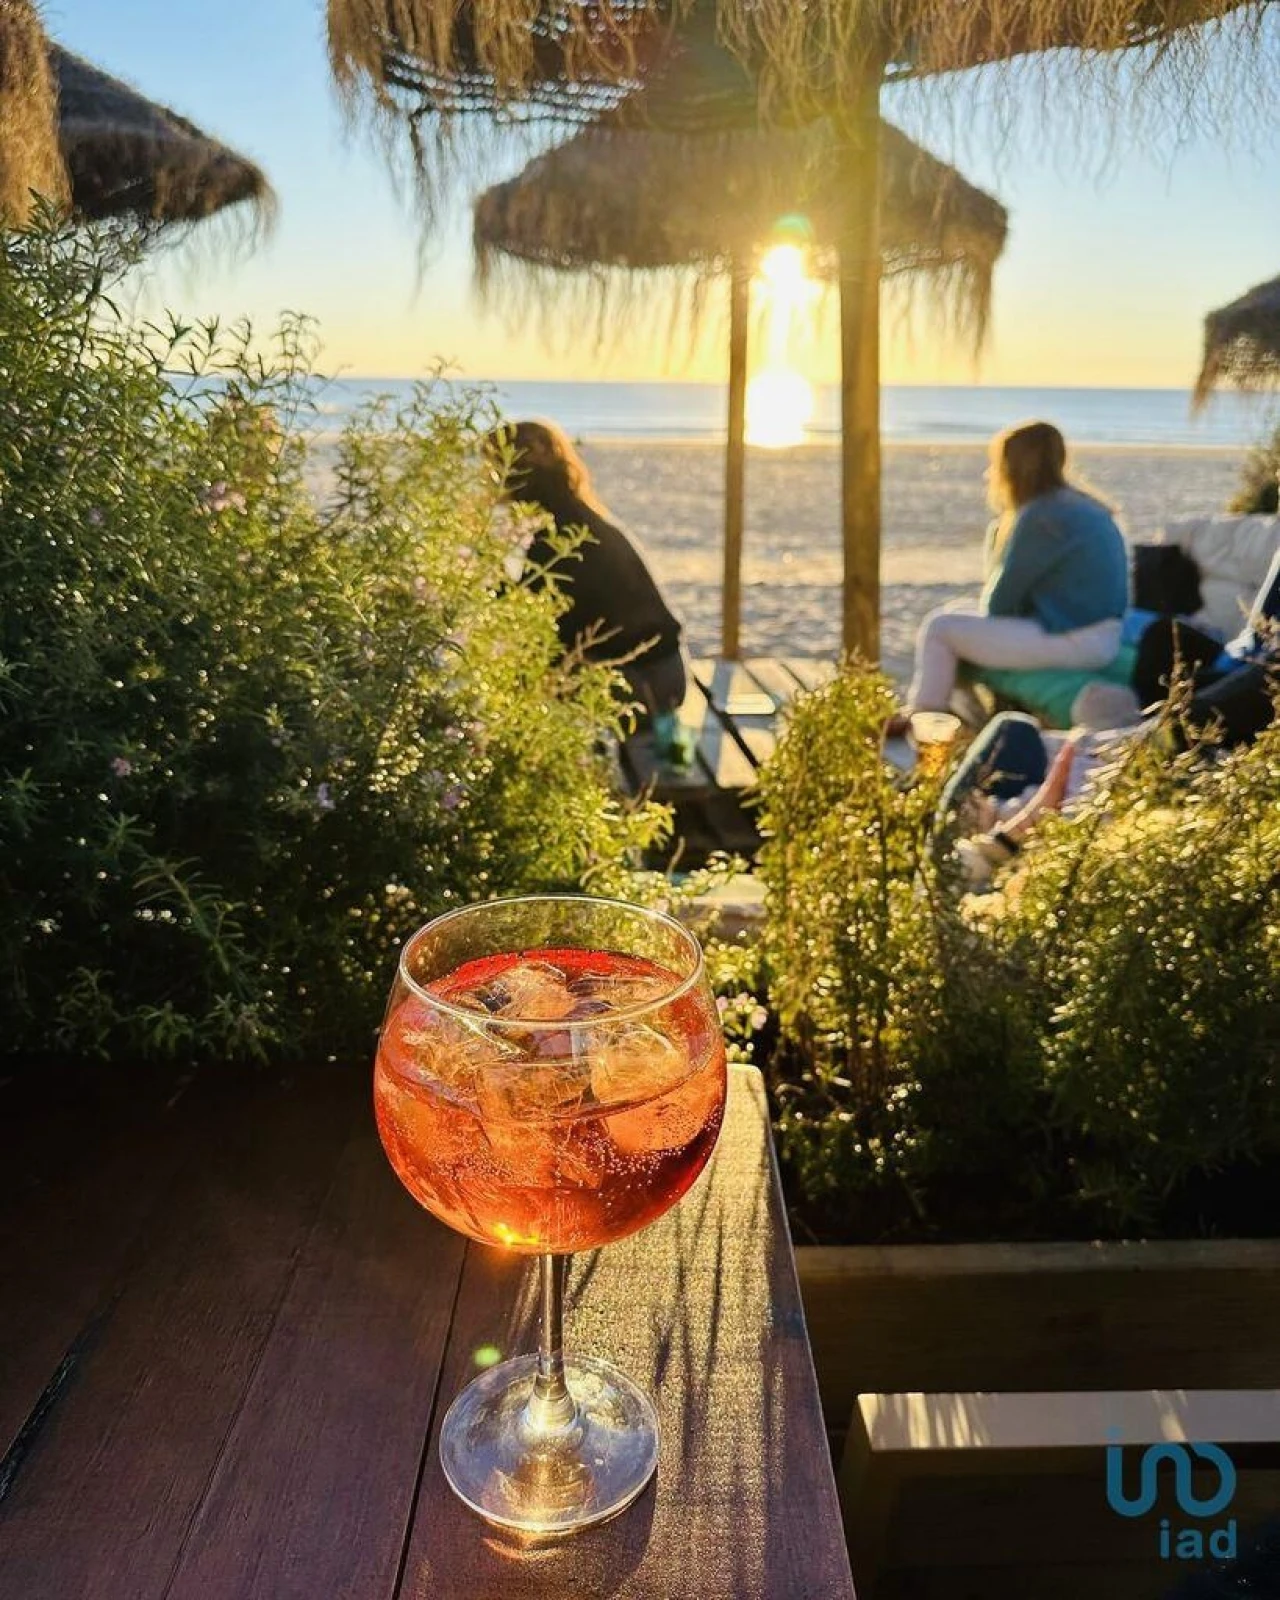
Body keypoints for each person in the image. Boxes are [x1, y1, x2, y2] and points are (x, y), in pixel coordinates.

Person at [888, 421, 1128, 734]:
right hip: (1102, 634)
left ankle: (923, 717)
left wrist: (999, 537)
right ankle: (952, 717)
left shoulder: (1040, 516)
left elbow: (998, 605)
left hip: (1077, 641)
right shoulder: (1087, 506)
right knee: (956, 610)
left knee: (939, 628)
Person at [489, 419, 688, 721]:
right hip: (665, 672)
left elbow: (538, 630)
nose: (489, 481)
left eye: (493, 469)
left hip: (646, 684)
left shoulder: (561, 537)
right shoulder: (574, 516)